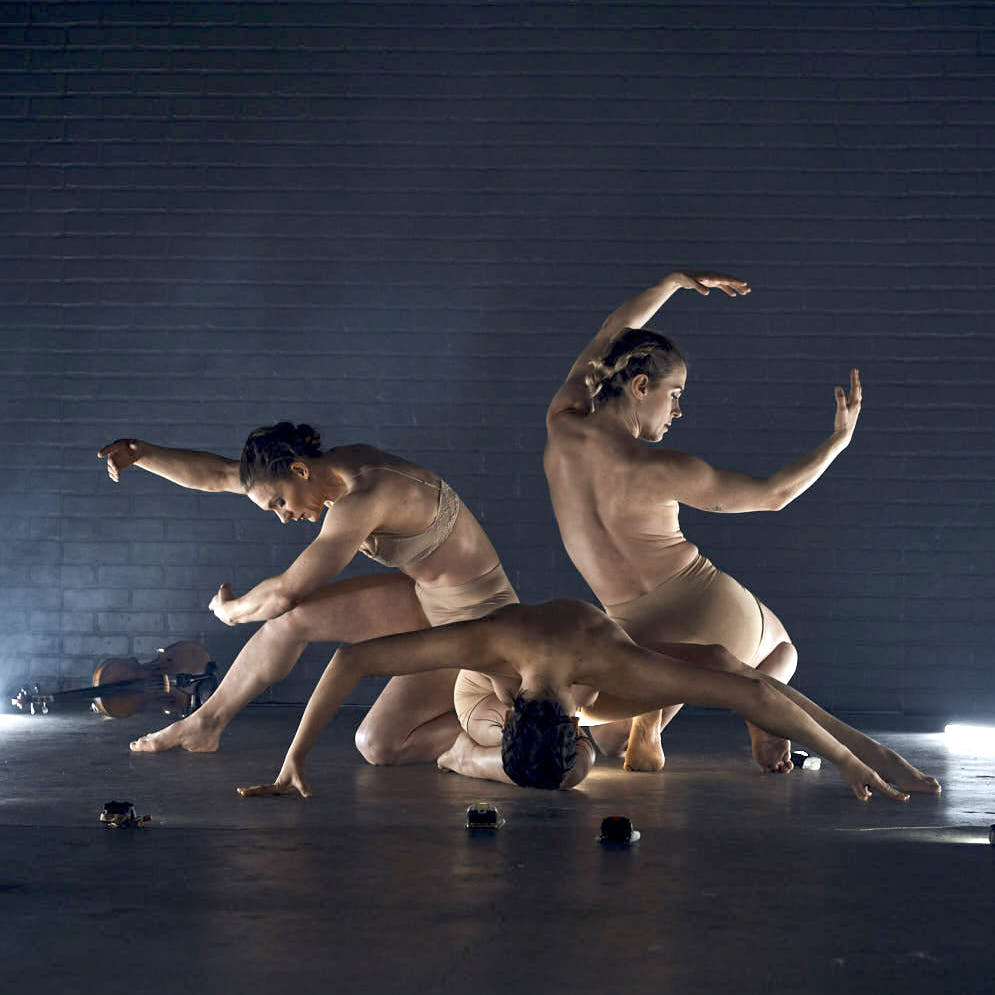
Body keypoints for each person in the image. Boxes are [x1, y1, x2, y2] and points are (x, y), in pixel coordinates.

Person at [544, 270, 862, 773]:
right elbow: (773, 496)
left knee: (606, 735)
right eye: (674, 395)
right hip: (702, 607)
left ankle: (649, 718)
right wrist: (836, 444)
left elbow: (615, 327)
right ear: (641, 385)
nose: (677, 411)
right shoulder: (660, 467)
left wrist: (672, 283)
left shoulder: (561, 420)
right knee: (782, 649)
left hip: (627, 622)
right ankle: (759, 715)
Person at [97, 423, 518, 762]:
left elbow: (286, 592)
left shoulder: (366, 497)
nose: (284, 517)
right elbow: (223, 476)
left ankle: (483, 739)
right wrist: (144, 454)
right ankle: (206, 724)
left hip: (477, 625)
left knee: (378, 744)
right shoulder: (328, 469)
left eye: (280, 503)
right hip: (427, 597)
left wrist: (233, 611)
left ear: (299, 471)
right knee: (288, 625)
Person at [235, 599, 941, 802]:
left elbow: (754, 689)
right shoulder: (488, 642)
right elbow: (352, 657)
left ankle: (462, 757)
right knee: (378, 744)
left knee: (725, 669)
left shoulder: (617, 669)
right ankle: (467, 756)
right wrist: (293, 759)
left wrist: (862, 758)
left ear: (574, 725)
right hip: (481, 690)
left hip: (566, 681)